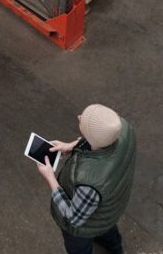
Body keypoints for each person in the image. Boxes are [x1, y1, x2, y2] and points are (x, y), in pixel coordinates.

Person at [36, 104, 137, 254]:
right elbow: (99, 140)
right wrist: (73, 145)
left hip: (82, 230)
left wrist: (50, 178)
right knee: (108, 232)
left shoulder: (89, 184)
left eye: (83, 121)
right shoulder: (124, 129)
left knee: (79, 249)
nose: (79, 117)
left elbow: (73, 218)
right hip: (110, 210)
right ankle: (116, 249)